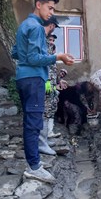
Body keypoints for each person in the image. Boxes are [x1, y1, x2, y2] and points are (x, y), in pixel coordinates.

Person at [11, 0, 74, 183]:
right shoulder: (37, 27)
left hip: (23, 78)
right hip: (33, 79)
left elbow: (15, 53)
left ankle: (34, 162)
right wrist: (59, 56)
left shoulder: (24, 25)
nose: (51, 12)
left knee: (30, 121)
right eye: (50, 7)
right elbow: (34, 58)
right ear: (38, 5)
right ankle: (34, 166)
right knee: (33, 124)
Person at [39, 16, 61, 156]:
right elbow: (44, 64)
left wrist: (58, 80)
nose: (52, 40)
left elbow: (52, 68)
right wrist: (47, 81)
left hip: (51, 83)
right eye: (51, 38)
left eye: (53, 39)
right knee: (45, 110)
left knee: (51, 107)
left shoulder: (51, 48)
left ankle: (46, 138)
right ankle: (42, 142)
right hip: (46, 82)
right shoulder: (43, 44)